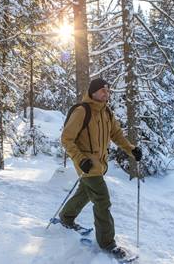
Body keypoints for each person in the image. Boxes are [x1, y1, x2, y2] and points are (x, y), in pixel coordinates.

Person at [59, 78, 143, 259]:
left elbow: (116, 135)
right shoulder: (82, 111)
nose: (106, 93)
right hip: (87, 164)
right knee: (102, 199)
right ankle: (107, 243)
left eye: (108, 90)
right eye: (103, 90)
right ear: (93, 92)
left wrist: (131, 149)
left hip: (99, 164)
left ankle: (66, 217)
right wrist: (80, 160)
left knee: (85, 192)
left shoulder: (106, 112)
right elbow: (66, 138)